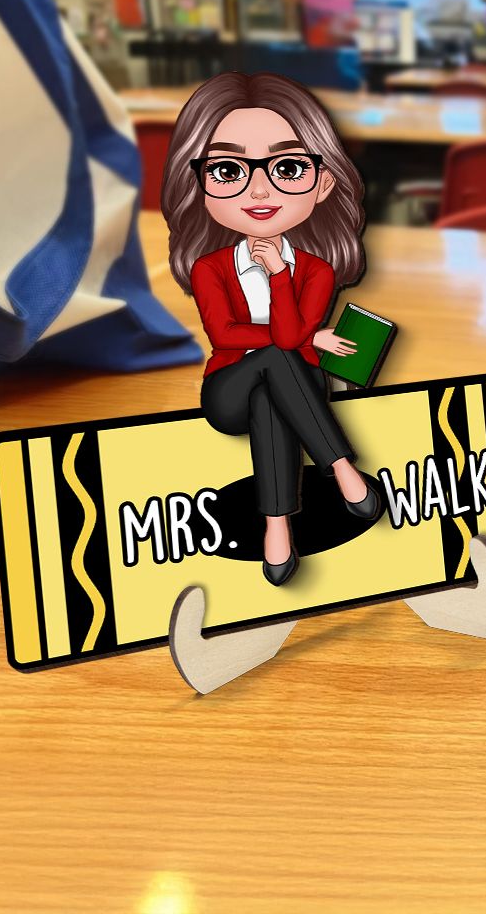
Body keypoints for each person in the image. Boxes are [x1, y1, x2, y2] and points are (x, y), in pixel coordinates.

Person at [160, 71, 379, 586]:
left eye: (288, 167)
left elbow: (283, 337)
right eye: (228, 170)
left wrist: (280, 277)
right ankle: (343, 471)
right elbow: (226, 336)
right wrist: (307, 338)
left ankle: (277, 530)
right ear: (199, 185)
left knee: (273, 396)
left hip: (296, 389)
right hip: (226, 390)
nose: (259, 188)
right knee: (275, 363)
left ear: (324, 182)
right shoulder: (210, 269)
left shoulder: (317, 271)